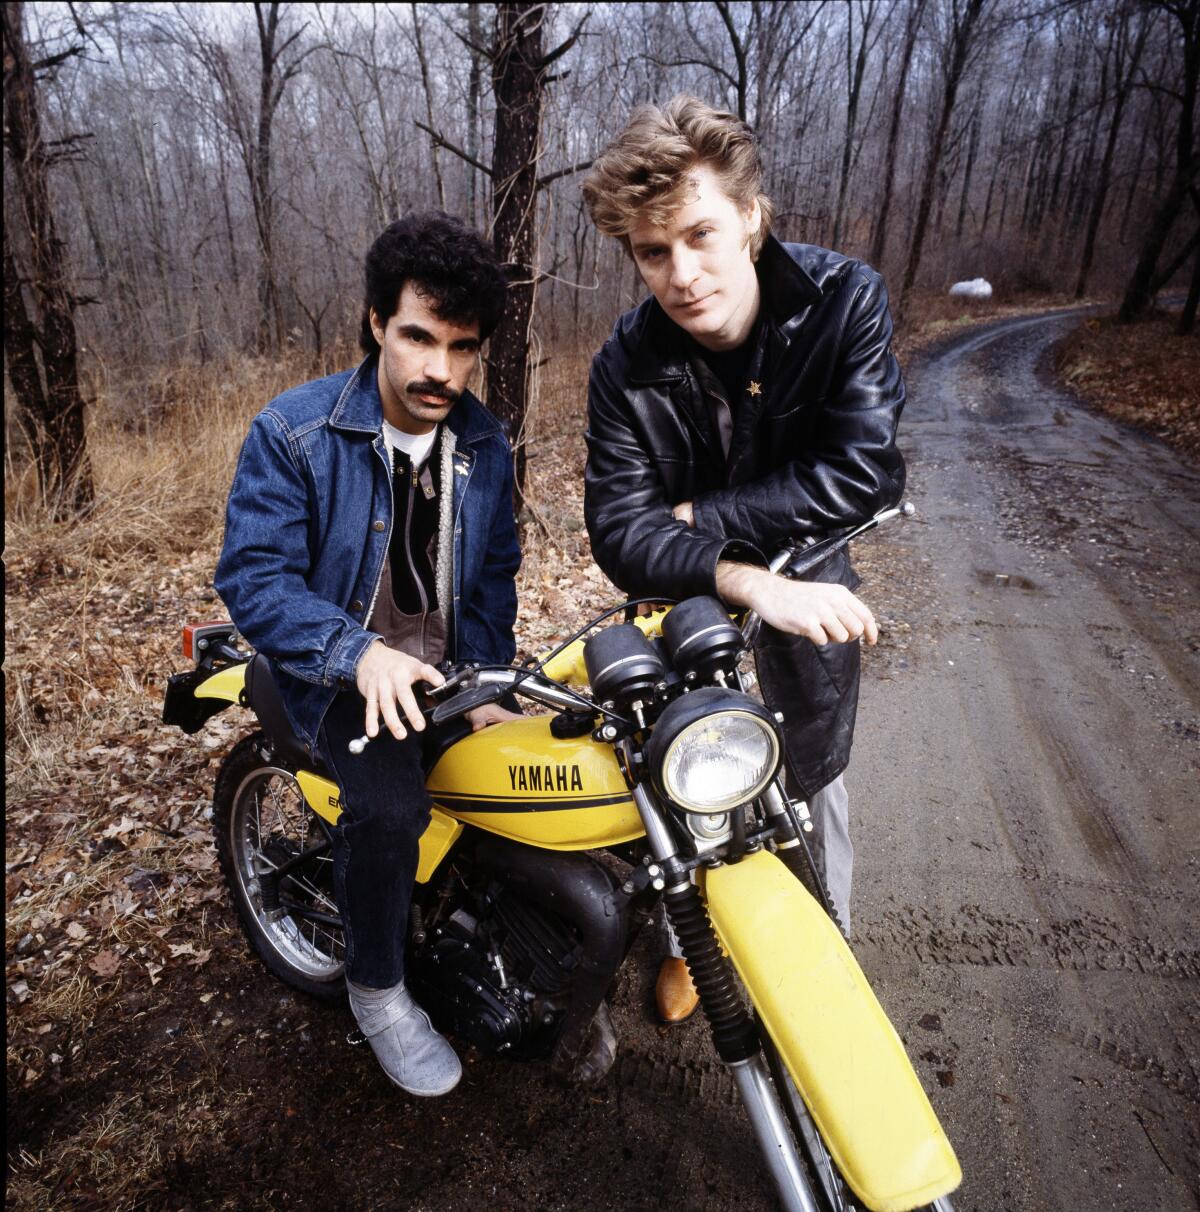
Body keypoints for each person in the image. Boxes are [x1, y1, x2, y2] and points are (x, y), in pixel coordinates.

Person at [580, 97, 904, 1023]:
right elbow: (620, 532)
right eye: (652, 252)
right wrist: (741, 570)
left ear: (752, 216)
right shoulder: (623, 365)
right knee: (686, 769)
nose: (681, 275)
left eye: (700, 235)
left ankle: (827, 940)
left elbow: (865, 472)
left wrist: (702, 515)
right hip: (695, 591)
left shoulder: (846, 304)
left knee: (813, 770)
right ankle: (699, 942)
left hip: (812, 582)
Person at [215, 212, 522, 1095]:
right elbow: (255, 578)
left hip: (445, 670)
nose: (440, 370)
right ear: (378, 322)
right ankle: (378, 990)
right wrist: (357, 654)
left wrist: (492, 672)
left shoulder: (484, 443)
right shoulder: (295, 432)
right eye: (420, 336)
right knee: (389, 808)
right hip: (325, 668)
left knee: (538, 776)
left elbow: (496, 569)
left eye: (462, 348)